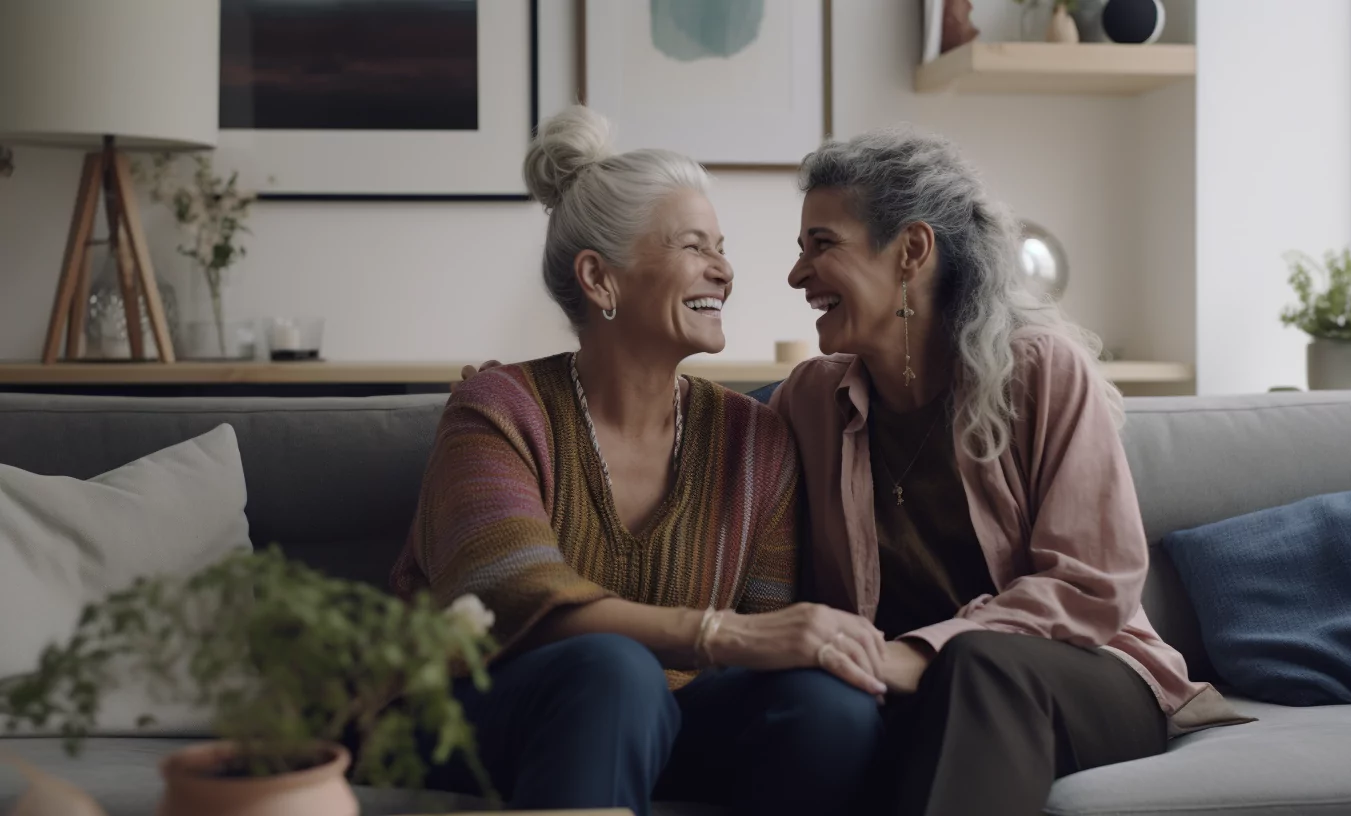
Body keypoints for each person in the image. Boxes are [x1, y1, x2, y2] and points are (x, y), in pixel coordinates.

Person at [392, 106, 884, 816]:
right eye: (694, 246)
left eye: (722, 246)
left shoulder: (757, 438)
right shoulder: (495, 411)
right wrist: (716, 632)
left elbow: (766, 633)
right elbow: (510, 599)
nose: (726, 269)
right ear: (599, 278)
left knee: (826, 705)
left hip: (675, 720)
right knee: (614, 669)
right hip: (486, 715)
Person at [769, 127, 1248, 816]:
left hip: (1087, 675)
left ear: (911, 250)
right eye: (800, 248)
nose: (797, 275)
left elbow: (1091, 584)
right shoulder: (810, 400)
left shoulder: (1042, 372)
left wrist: (921, 654)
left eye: (822, 245)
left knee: (977, 664)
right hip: (906, 693)